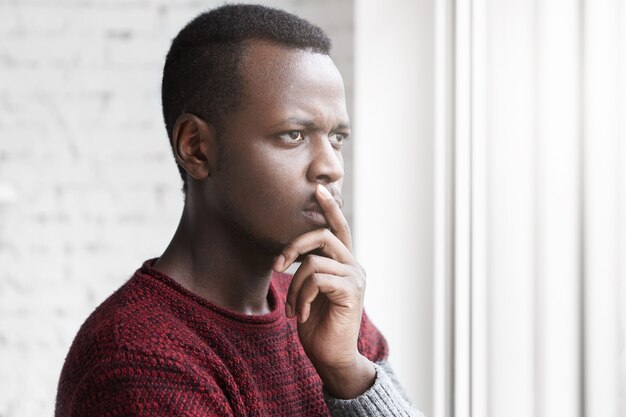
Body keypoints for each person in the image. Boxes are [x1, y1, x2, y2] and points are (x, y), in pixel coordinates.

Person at [55, 4, 423, 416]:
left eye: (337, 138)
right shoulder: (138, 361)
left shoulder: (324, 303)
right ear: (196, 147)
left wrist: (349, 373)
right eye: (294, 134)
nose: (331, 167)